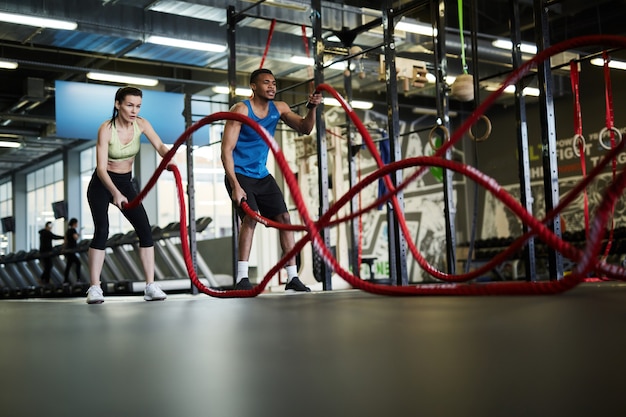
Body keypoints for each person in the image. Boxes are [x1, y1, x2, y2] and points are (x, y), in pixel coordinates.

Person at [221, 68, 322, 292]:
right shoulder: (241, 110)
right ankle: (242, 278)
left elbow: (305, 128)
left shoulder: (280, 108)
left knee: (284, 217)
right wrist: (235, 185)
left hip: (261, 174)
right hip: (239, 174)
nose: (272, 87)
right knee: (251, 218)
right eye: (266, 83)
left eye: (274, 83)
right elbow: (226, 150)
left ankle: (292, 278)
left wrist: (312, 108)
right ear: (253, 87)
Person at [85, 86, 170, 304]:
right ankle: (95, 288)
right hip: (102, 184)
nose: (134, 110)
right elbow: (102, 169)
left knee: (145, 230)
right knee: (102, 230)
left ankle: (150, 286)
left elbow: (159, 145)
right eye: (130, 105)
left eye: (138, 106)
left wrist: (169, 157)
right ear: (118, 104)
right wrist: (115, 193)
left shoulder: (141, 124)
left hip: (126, 181)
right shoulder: (106, 129)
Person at [63, 217, 82, 284]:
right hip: (72, 250)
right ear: (74, 223)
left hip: (68, 250)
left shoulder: (68, 230)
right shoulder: (73, 230)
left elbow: (65, 241)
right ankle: (78, 279)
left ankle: (65, 281)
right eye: (77, 223)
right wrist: (79, 234)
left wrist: (64, 249)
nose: (77, 224)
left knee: (68, 265)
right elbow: (75, 238)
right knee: (78, 263)